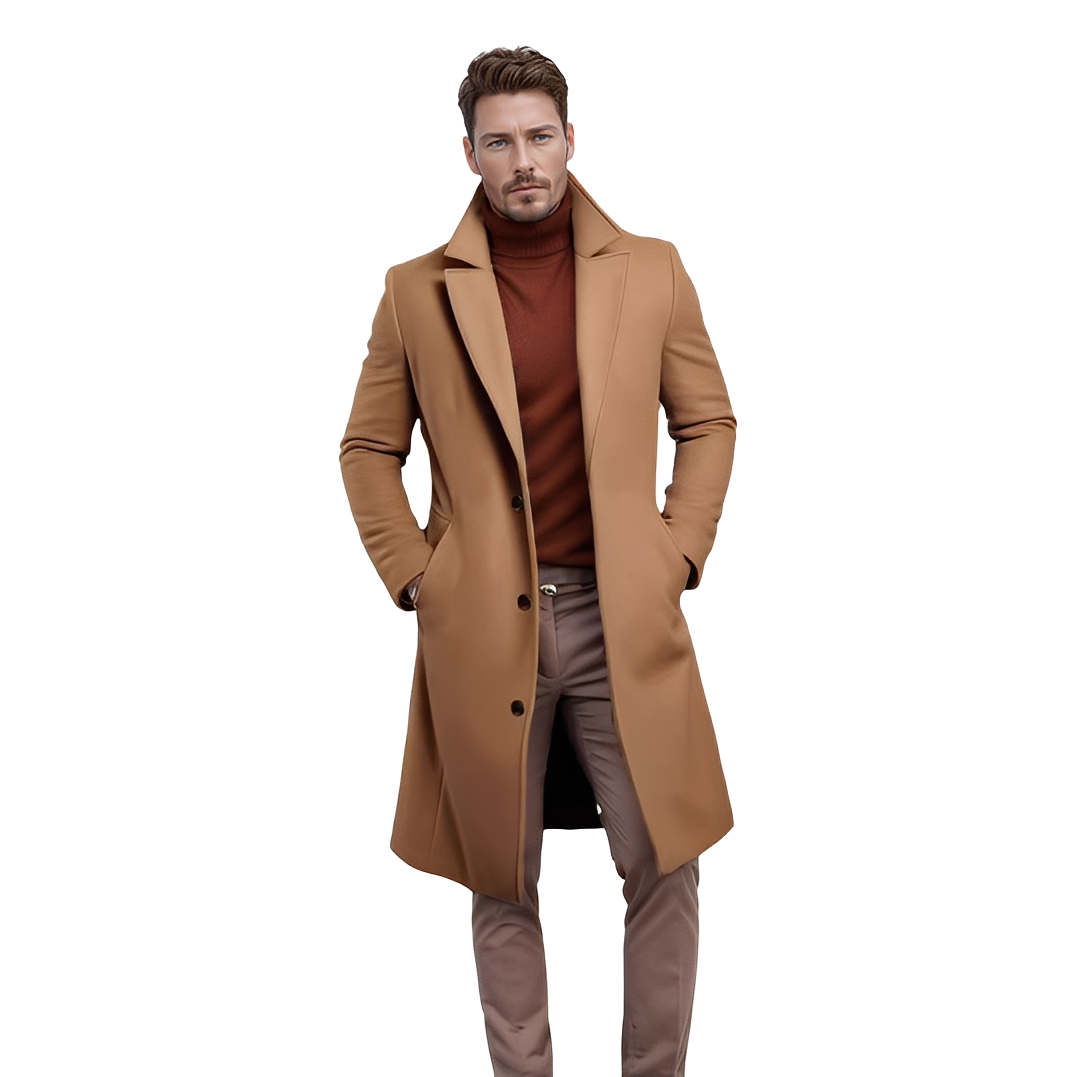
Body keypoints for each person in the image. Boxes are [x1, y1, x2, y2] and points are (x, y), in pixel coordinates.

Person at [340, 46, 736, 1077]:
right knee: (500, 877)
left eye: (540, 137)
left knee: (665, 861)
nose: (523, 160)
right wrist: (418, 575)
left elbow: (707, 421)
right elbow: (368, 448)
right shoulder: (414, 292)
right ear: (468, 153)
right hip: (481, 626)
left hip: (622, 617)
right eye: (500, 141)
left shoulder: (652, 269)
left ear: (571, 139)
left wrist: (676, 552)